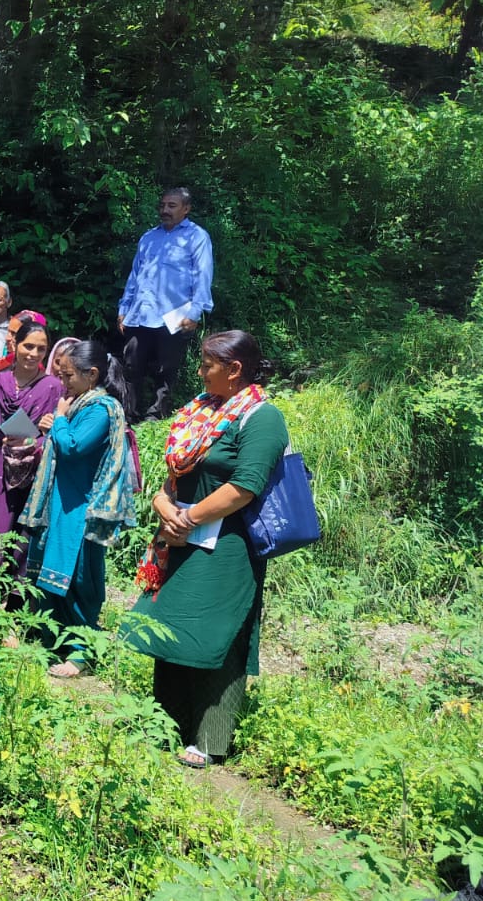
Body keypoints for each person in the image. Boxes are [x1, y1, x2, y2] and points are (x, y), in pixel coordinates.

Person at [125, 331, 289, 769]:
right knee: (170, 629)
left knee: (219, 638)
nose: (199, 371)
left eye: (207, 364)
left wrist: (189, 518)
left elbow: (245, 487)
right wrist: (166, 512)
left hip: (226, 548)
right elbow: (169, 482)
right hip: (179, 540)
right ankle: (166, 723)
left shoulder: (262, 418)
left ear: (234, 370)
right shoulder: (200, 413)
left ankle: (210, 738)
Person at [16, 340, 138, 677]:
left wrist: (58, 421)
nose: (63, 382)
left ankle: (82, 654)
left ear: (92, 374)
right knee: (51, 574)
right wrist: (56, 423)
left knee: (79, 578)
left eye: (68, 375)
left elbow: (72, 447)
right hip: (62, 502)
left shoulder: (101, 408)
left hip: (82, 506)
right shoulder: (79, 404)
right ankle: (51, 642)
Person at [0, 317, 64, 585]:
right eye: (28, 346)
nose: (33, 354)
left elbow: (55, 434)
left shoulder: (53, 387)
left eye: (41, 349)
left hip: (30, 468)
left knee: (19, 529)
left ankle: (12, 592)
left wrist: (44, 433)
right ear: (15, 345)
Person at [117, 187, 213, 422]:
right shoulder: (149, 237)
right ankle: (130, 414)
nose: (165, 210)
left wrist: (195, 312)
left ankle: (156, 415)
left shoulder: (197, 237)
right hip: (140, 314)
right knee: (131, 366)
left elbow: (203, 275)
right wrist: (123, 309)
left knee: (166, 369)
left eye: (172, 206)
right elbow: (135, 275)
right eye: (162, 205)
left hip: (174, 317)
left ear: (186, 209)